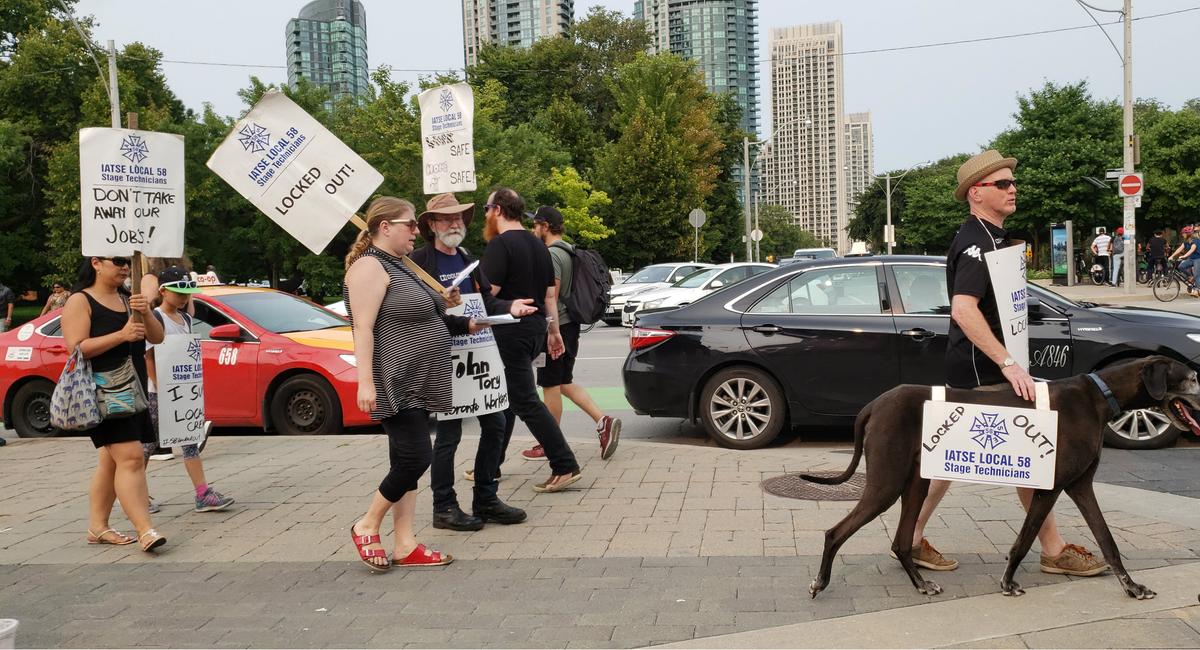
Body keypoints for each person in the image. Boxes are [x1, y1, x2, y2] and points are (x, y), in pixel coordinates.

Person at [902, 150, 1108, 577]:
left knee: (948, 457)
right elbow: (963, 309)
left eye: (1013, 182)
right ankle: (1052, 550)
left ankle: (910, 538)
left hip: (984, 366)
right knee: (1028, 454)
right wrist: (1009, 363)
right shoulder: (976, 243)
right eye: (1002, 184)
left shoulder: (994, 238)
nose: (1013, 188)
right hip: (985, 370)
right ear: (976, 193)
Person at [343, 196, 482, 572]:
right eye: (410, 224)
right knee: (417, 457)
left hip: (418, 379)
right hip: (396, 379)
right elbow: (363, 327)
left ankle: (405, 544)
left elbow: (416, 311)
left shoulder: (401, 265)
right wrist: (365, 382)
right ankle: (367, 523)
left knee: (404, 458)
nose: (416, 230)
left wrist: (446, 302)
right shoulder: (368, 267)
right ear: (385, 227)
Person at [410, 192, 537, 531]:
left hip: (478, 356)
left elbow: (483, 304)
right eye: (446, 218)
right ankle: (444, 506)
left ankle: (486, 497)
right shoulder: (421, 264)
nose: (455, 223)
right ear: (432, 225)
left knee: (496, 425)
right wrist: (457, 318)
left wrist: (509, 308)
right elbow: (421, 313)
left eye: (459, 218)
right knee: (449, 435)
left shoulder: (468, 258)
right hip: (445, 358)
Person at [480, 187, 583, 493]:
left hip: (510, 331)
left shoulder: (500, 246)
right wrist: (553, 332)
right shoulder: (539, 245)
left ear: (498, 210)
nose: (485, 215)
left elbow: (489, 295)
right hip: (536, 328)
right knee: (511, 397)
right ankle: (491, 465)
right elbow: (549, 296)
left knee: (523, 400)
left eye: (487, 209)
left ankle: (564, 465)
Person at [61, 255, 167, 552]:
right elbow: (76, 347)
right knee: (132, 457)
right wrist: (121, 335)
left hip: (132, 390)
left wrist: (145, 313)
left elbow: (156, 338)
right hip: (103, 392)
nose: (124, 267)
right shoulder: (80, 301)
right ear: (96, 263)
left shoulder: (126, 299)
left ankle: (98, 526)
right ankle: (145, 530)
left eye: (126, 261)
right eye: (117, 261)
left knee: (112, 460)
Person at [526, 205, 620, 461]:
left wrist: (548, 331)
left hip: (557, 327)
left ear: (545, 226)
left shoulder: (552, 255)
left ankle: (549, 443)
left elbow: (551, 296)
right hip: (569, 326)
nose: (532, 229)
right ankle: (603, 421)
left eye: (535, 225)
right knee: (563, 382)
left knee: (550, 385)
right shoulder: (567, 250)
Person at [144, 265, 235, 513]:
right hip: (159, 393)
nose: (184, 297)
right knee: (148, 444)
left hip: (184, 393)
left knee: (190, 442)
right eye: (179, 292)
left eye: (187, 292)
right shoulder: (156, 318)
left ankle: (202, 493)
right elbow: (150, 357)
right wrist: (161, 389)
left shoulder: (185, 318)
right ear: (163, 291)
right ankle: (135, 492)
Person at [1167, 227, 1199, 295]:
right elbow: (1179, 249)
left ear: (1188, 234)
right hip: (1191, 259)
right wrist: (1172, 256)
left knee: (1197, 274)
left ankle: (1197, 290)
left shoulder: (1196, 240)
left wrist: (1184, 256)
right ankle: (1190, 276)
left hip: (1198, 259)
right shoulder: (1186, 242)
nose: (1182, 235)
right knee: (1181, 266)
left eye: (1183, 233)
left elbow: (1192, 249)